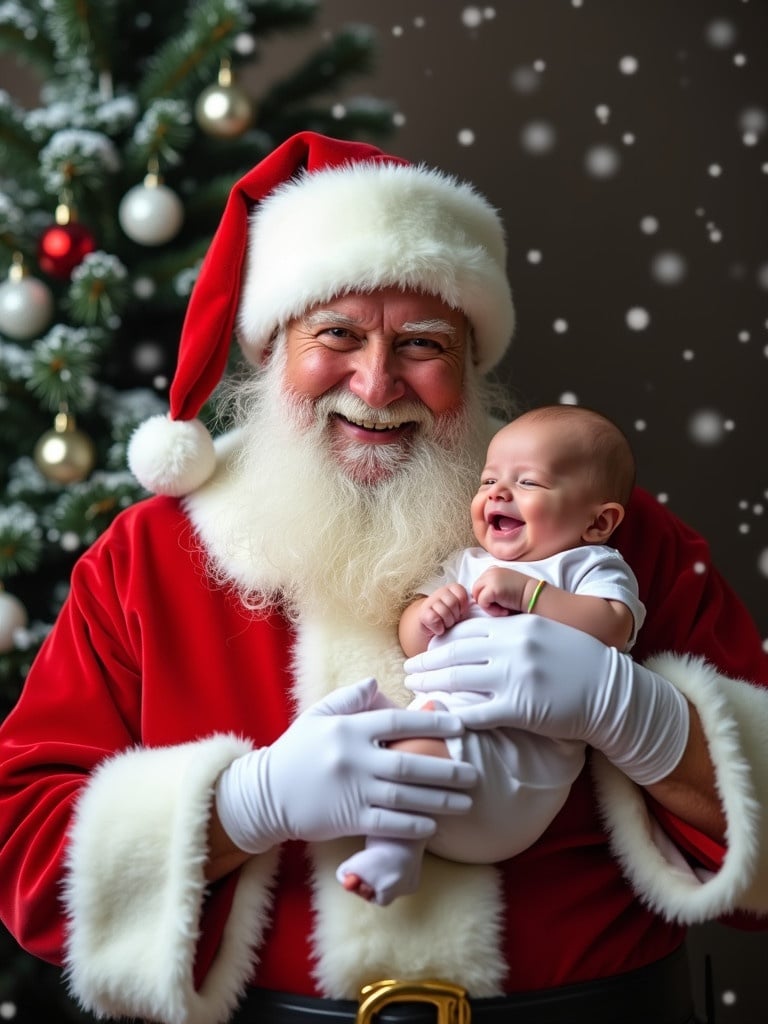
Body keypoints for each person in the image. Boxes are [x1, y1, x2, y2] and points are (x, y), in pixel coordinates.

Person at [0, 132, 767, 1024]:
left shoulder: (611, 539)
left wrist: (639, 716)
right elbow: (25, 862)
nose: (375, 382)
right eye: (336, 334)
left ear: (471, 361)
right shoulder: (149, 556)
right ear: (273, 348)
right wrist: (244, 807)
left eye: (422, 344)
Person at [337, 404, 646, 906]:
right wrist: (429, 614)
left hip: (510, 774)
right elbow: (413, 639)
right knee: (352, 725)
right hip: (445, 732)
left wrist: (531, 596)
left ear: (598, 522)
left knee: (409, 750)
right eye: (488, 481)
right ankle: (380, 834)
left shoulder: (589, 565)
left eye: (529, 483)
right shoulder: (465, 562)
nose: (498, 494)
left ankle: (393, 855)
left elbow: (613, 626)